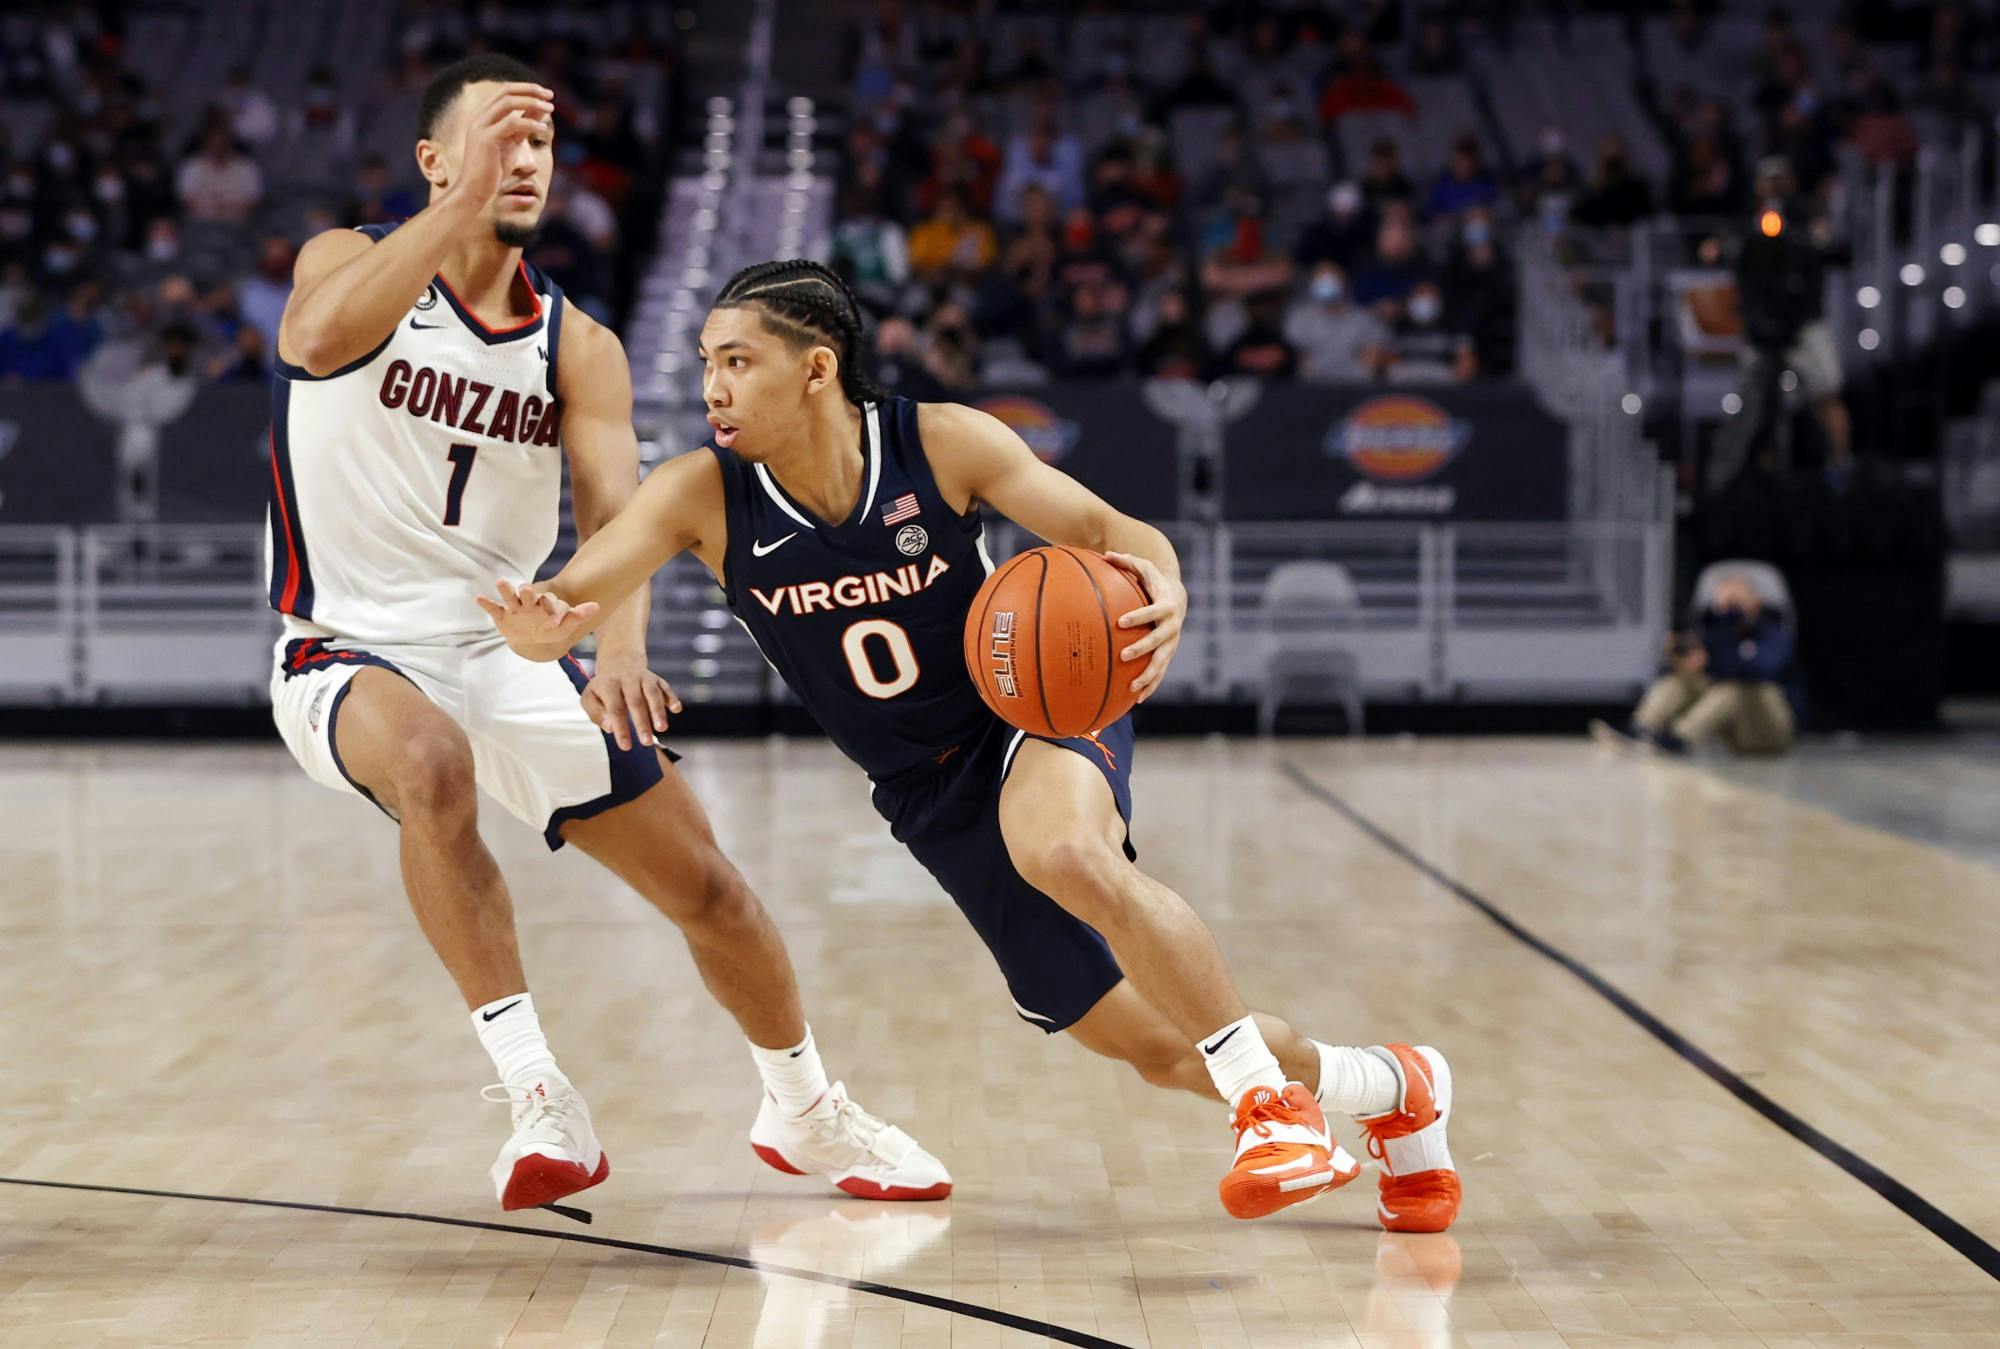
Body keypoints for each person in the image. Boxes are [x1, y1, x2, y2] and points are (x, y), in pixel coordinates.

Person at [480, 258, 1463, 1231]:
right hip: (923, 790)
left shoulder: (938, 442)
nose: (711, 387)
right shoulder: (703, 491)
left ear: (815, 369)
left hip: (1029, 703)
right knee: (1151, 1045)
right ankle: (1389, 1085)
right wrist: (537, 625)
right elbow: (578, 593)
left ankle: (1268, 1108)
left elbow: (1107, 527)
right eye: (704, 362)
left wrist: (1163, 581)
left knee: (1064, 850)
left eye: (736, 361)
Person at [266, 55, 946, 1216]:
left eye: (535, 144)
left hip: (507, 646)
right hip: (344, 644)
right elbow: (314, 344)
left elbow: (617, 520)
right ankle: (538, 1094)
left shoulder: (577, 347)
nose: (521, 161)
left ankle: (805, 1106)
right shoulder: (346, 262)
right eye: (495, 139)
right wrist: (451, 208)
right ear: (435, 162)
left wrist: (618, 650)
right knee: (433, 768)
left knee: (711, 889)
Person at [1593, 573, 1798, 755]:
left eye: (1736, 602)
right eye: (1724, 604)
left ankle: (1679, 738)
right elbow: (1675, 670)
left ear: (1755, 603)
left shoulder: (1773, 635)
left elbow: (1761, 669)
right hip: (1738, 736)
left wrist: (1709, 662)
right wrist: (1680, 662)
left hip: (1772, 733)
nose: (1729, 610)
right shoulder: (1712, 635)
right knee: (1679, 682)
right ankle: (1641, 727)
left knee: (1732, 689)